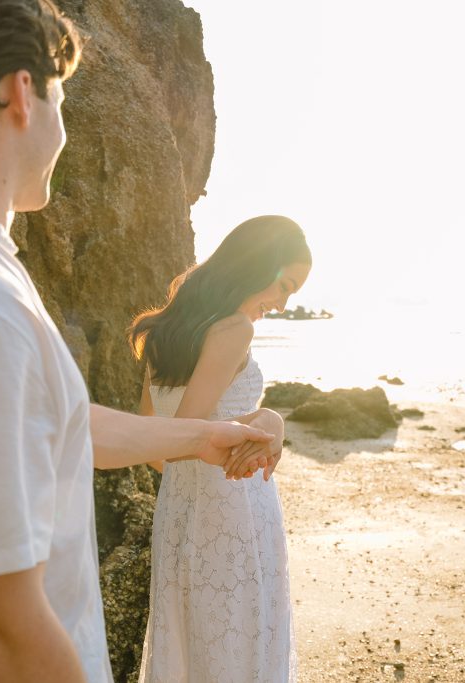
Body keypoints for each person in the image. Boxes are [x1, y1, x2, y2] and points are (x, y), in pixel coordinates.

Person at [0, 2, 281, 682]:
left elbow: (49, 430)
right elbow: (0, 627)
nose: (62, 124)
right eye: (60, 97)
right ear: (20, 94)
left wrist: (197, 437)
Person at [130, 216, 312, 682]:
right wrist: (265, 422)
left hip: (179, 507)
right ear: (257, 265)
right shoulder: (234, 329)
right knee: (239, 641)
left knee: (190, 640)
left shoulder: (163, 330)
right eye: (284, 284)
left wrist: (265, 420)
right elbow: (191, 429)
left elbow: (155, 449)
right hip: (234, 507)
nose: (283, 301)